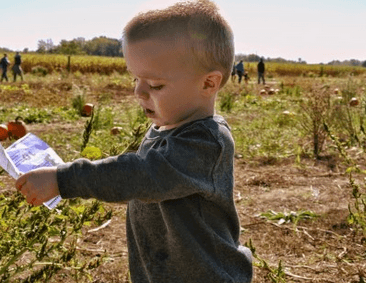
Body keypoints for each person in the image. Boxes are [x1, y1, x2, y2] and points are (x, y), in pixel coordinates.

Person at [15, 1, 253, 282]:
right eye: (136, 79)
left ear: (208, 84)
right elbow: (130, 168)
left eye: (155, 85)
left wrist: (64, 178)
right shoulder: (164, 129)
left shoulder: (206, 141)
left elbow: (142, 175)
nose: (139, 91)